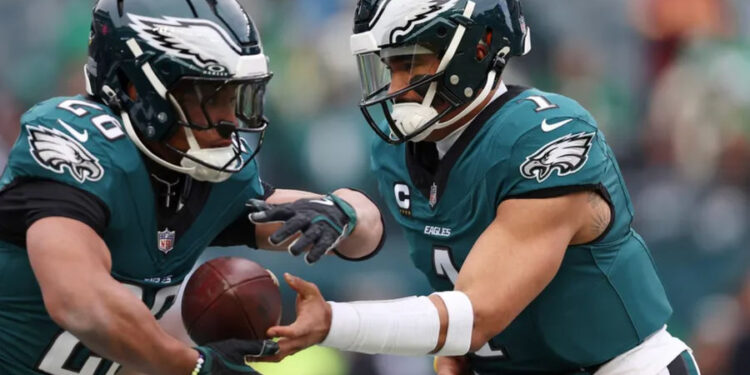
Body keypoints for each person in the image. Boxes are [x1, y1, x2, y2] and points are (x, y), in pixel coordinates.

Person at [257, 1, 702, 374]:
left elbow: (475, 315)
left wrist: (334, 321)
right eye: (388, 67)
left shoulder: (544, 136)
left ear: (478, 47)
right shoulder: (399, 151)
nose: (394, 88)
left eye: (410, 63)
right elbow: (454, 319)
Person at [0, 0, 384, 374]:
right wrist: (196, 366)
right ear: (135, 88)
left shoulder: (203, 177)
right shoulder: (82, 145)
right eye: (210, 96)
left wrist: (344, 214)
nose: (230, 119)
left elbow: (364, 234)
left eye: (237, 95)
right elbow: (80, 305)